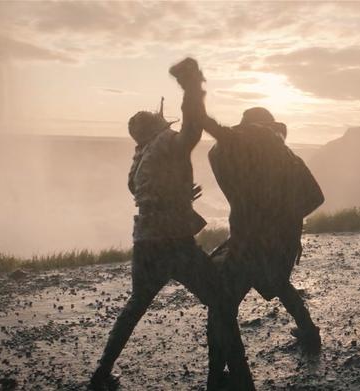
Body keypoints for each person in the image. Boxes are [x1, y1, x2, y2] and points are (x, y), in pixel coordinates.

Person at [89, 58, 254, 390]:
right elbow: (191, 132)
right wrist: (192, 88)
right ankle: (239, 378)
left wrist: (180, 193)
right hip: (174, 244)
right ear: (158, 128)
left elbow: (144, 193)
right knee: (221, 302)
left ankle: (100, 374)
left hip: (145, 242)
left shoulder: (139, 160)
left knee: (135, 307)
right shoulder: (165, 143)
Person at [199, 106, 325, 374]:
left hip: (251, 241)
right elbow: (315, 197)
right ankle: (309, 333)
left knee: (225, 301)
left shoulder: (225, 155)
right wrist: (287, 222)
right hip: (273, 240)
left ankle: (221, 372)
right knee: (278, 283)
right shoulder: (287, 160)